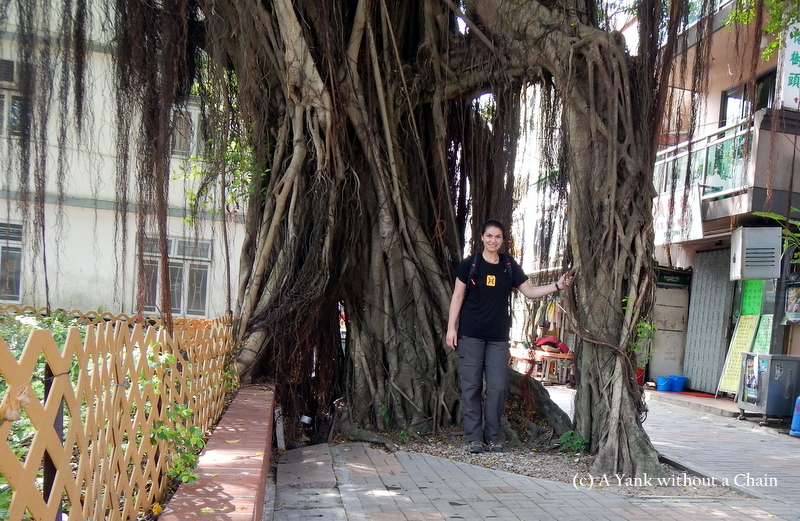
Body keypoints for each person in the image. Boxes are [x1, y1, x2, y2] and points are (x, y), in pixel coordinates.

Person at [446, 218, 572, 454]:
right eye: (489, 236)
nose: (493, 240)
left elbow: (530, 292)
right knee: (471, 386)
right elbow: (457, 297)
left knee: (497, 388)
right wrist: (451, 328)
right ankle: (474, 437)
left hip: (497, 338)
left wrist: (557, 285)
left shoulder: (508, 265)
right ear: (482, 237)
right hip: (470, 335)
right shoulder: (469, 265)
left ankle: (493, 436)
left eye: (498, 237)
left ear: (503, 240)